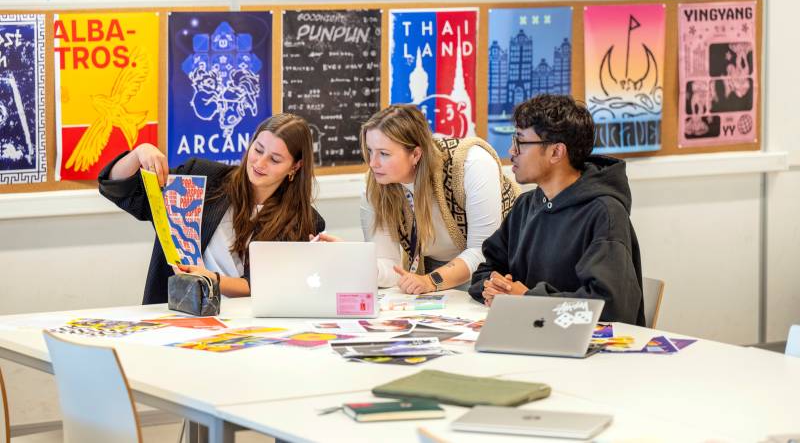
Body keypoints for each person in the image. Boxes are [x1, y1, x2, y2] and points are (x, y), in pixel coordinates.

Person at [98, 113, 325, 303]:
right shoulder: (201, 178)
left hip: (246, 326)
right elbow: (119, 188)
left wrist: (210, 278)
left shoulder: (304, 221)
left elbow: (263, 284)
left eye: (274, 160)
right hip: (177, 316)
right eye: (258, 149)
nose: (260, 163)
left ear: (295, 167)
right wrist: (140, 152)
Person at [469, 94, 645, 325]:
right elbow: (486, 270)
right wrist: (493, 286)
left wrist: (528, 300)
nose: (511, 151)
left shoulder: (605, 213)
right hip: (530, 332)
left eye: (520, 141)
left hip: (589, 344)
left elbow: (608, 308)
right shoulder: (526, 205)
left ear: (556, 152)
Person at [321, 104, 519, 293]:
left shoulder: (471, 163)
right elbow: (390, 267)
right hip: (435, 271)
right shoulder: (375, 186)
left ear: (415, 154)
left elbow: (481, 251)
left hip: (502, 271)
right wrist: (354, 259)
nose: (373, 163)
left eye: (384, 154)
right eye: (370, 151)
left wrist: (430, 281)